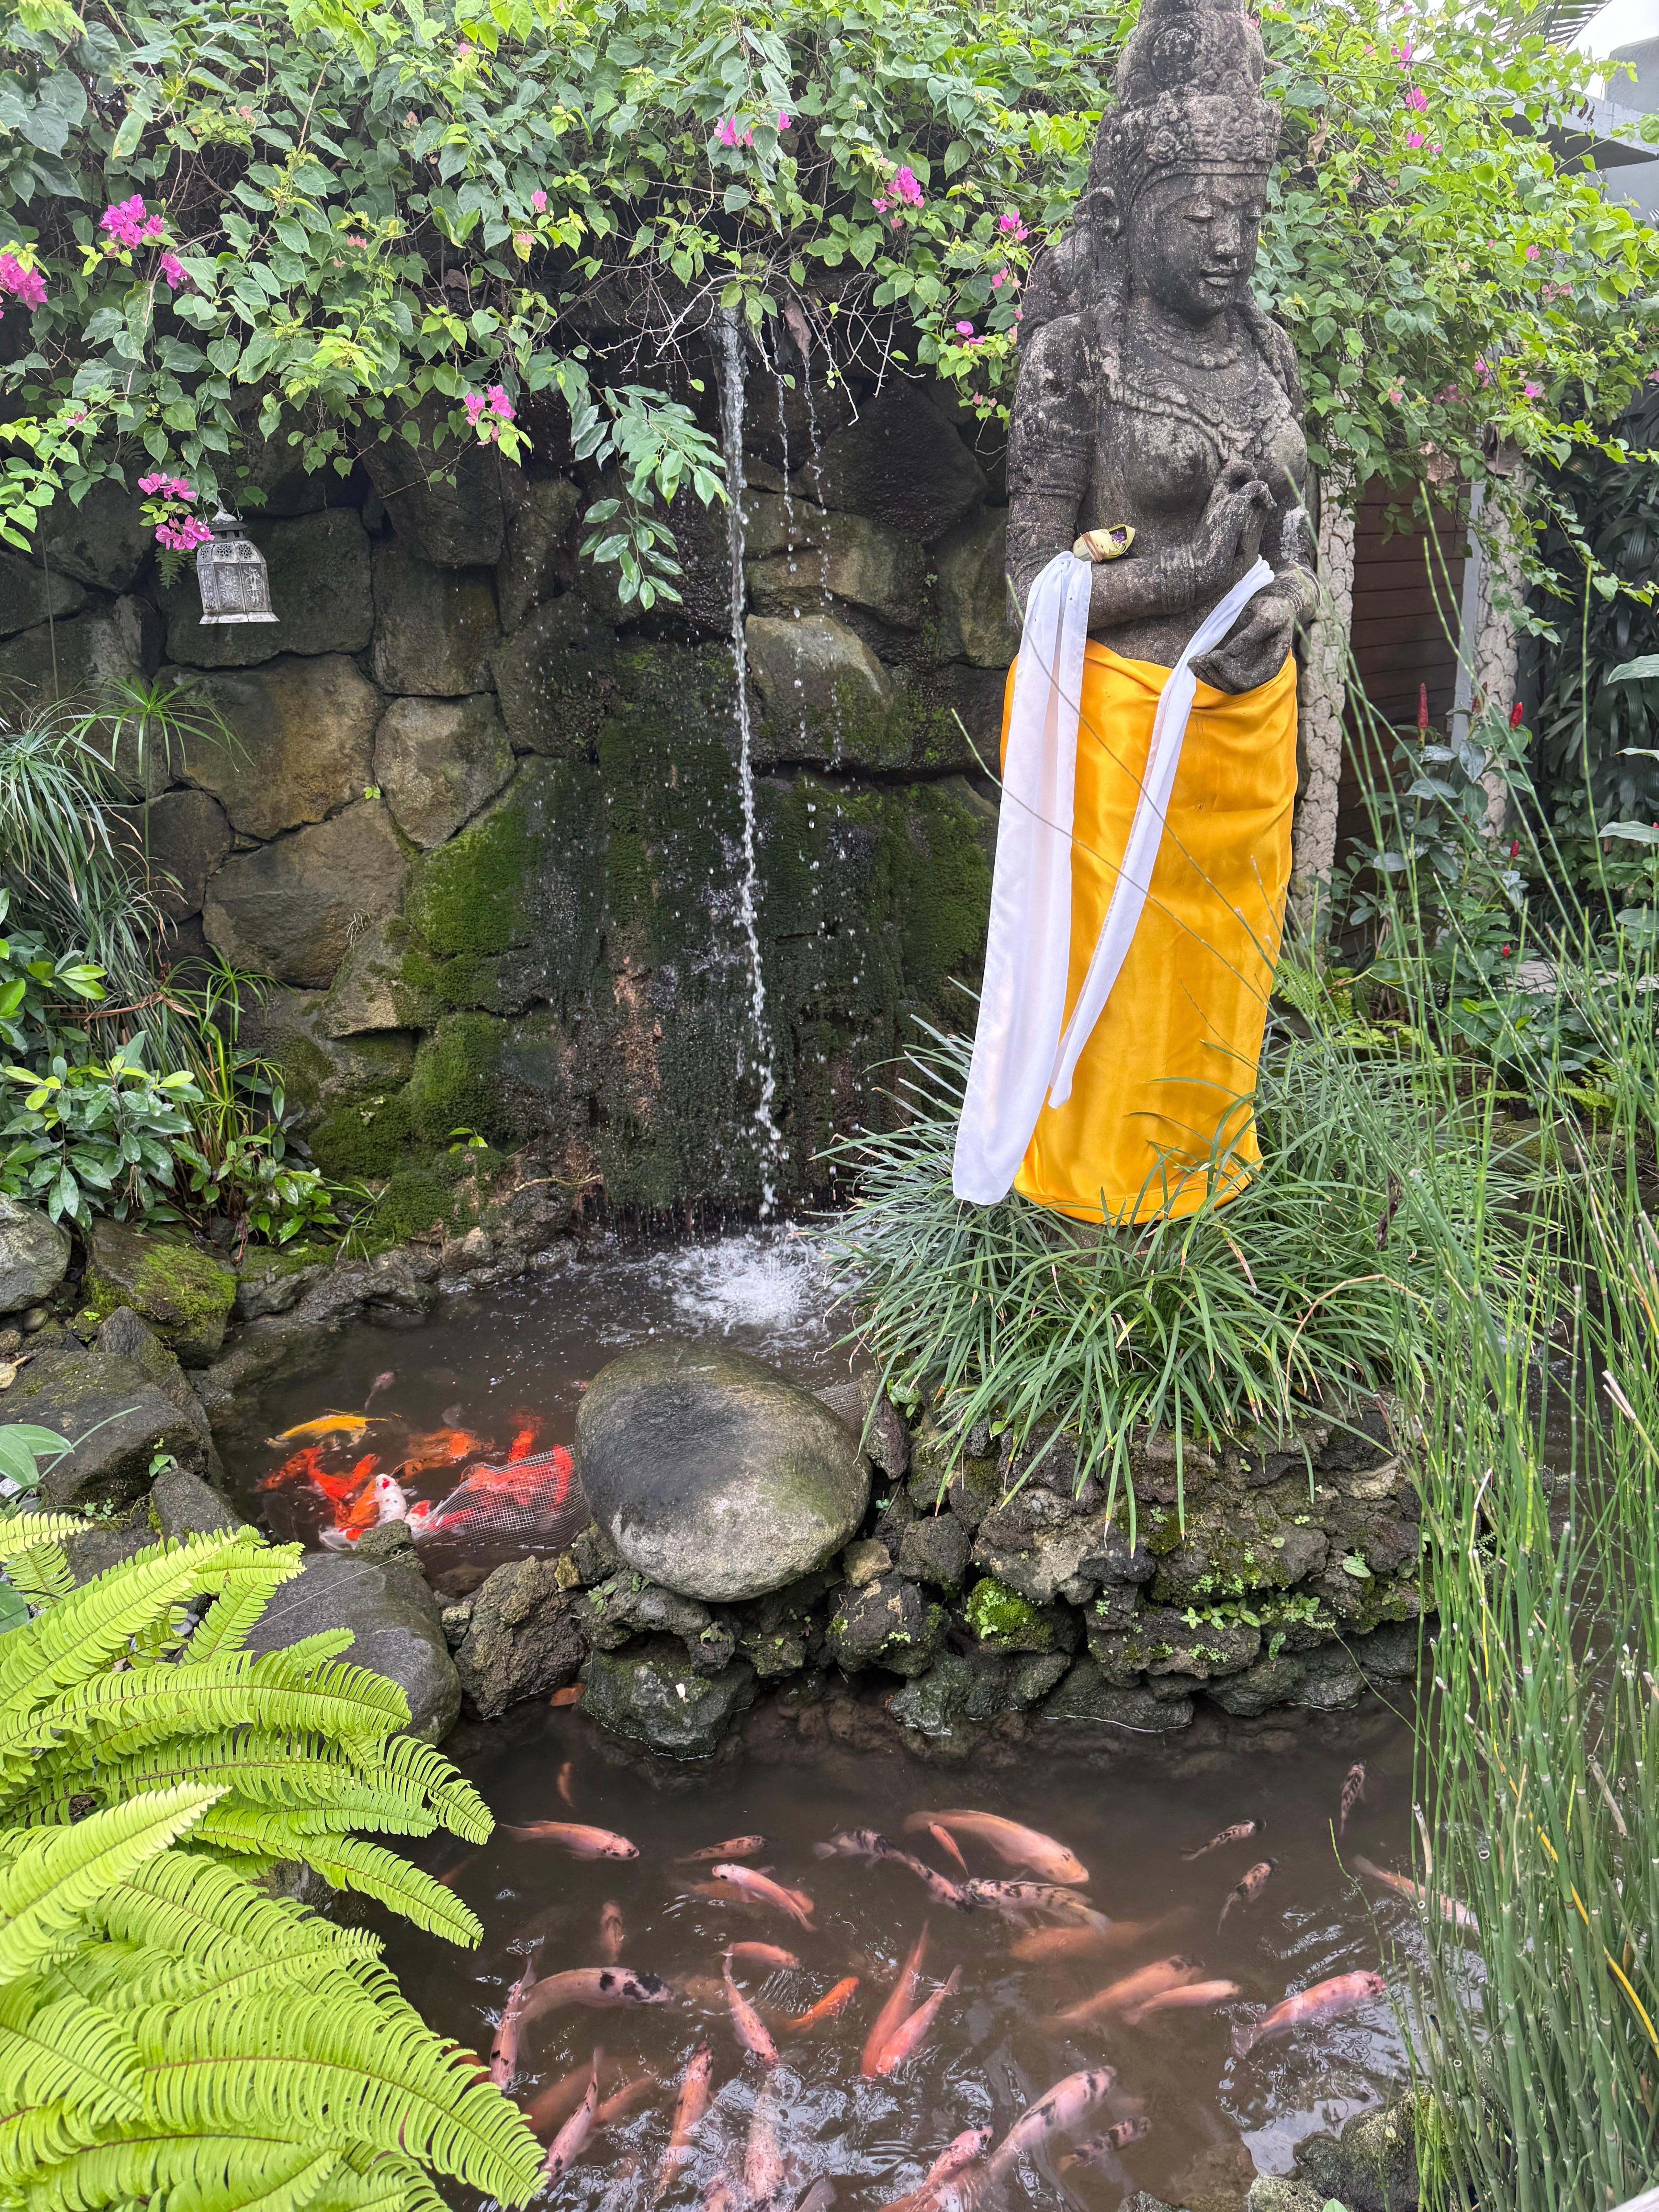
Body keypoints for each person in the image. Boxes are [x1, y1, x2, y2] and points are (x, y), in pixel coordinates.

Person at [954, 0, 1314, 1225]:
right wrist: (1189, 569)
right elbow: (1029, 588)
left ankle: (1202, 1180)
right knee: (1110, 982)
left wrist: (1292, 594)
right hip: (1115, 725)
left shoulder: (1269, 346)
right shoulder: (1076, 359)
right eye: (1197, 216)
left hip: (1246, 723)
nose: (1228, 244)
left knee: (1222, 973)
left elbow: (1295, 530)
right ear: (1130, 218)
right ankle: (1093, 1199)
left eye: (1245, 216)